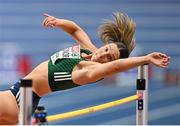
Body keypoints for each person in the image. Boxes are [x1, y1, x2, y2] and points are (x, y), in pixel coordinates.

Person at [0, 12, 170, 124]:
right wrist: (58, 22)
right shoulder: (89, 49)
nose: (103, 55)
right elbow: (75, 29)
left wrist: (146, 58)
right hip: (21, 94)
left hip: (21, 97)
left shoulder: (91, 72)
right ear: (106, 44)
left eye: (109, 58)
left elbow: (116, 66)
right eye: (107, 50)